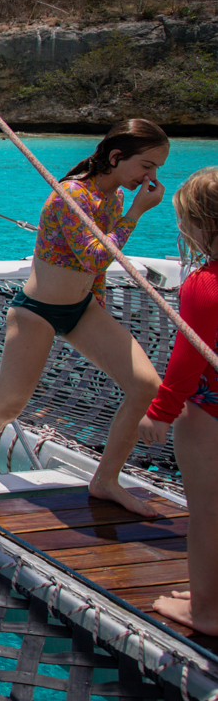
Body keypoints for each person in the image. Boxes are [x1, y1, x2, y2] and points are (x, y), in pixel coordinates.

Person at [0, 119, 169, 516]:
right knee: (9, 404)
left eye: (156, 169)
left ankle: (106, 480)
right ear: (116, 157)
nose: (150, 177)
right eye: (146, 165)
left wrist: (94, 306)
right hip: (38, 313)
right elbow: (98, 255)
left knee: (146, 387)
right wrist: (137, 212)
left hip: (82, 309)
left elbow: (96, 270)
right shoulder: (71, 195)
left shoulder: (112, 196)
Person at [139, 167, 218, 634]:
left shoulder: (203, 285)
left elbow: (187, 361)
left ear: (203, 225)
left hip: (209, 411)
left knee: (207, 513)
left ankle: (206, 611)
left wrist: (161, 412)